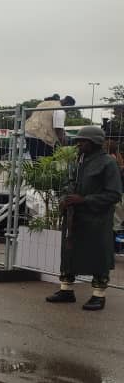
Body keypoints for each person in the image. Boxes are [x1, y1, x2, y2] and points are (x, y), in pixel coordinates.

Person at [46, 127, 123, 311]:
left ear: (95, 143)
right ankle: (66, 290)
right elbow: (67, 183)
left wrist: (84, 200)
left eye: (83, 141)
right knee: (68, 255)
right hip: (74, 218)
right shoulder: (78, 161)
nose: (78, 143)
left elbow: (114, 194)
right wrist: (65, 198)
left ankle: (98, 295)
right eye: (78, 140)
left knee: (98, 257)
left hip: (97, 220)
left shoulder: (107, 163)